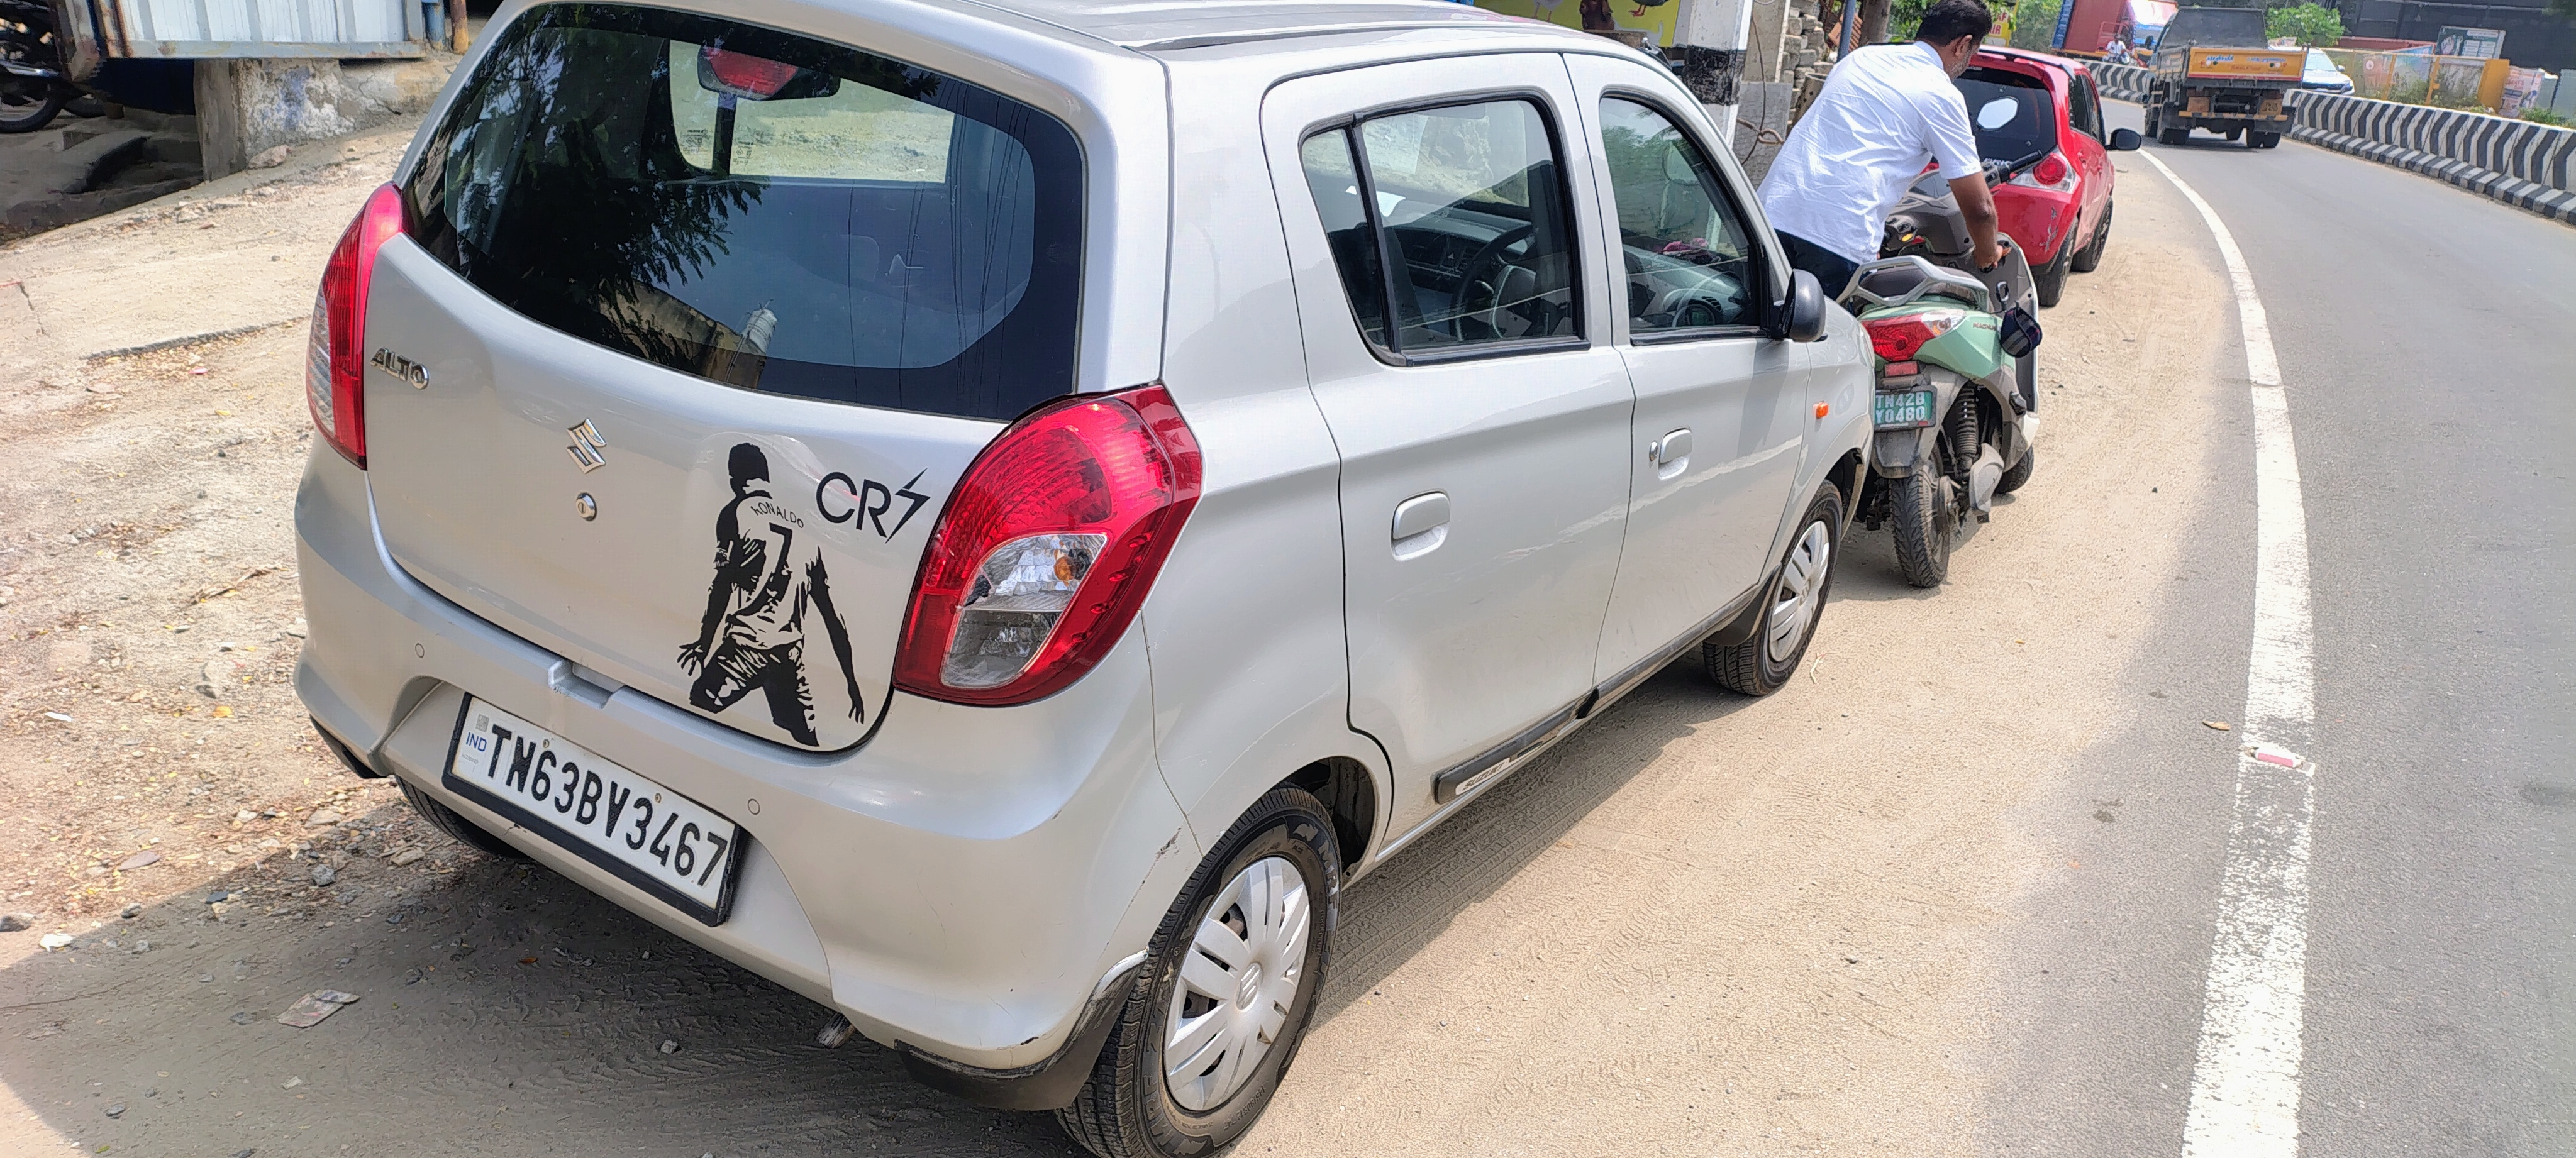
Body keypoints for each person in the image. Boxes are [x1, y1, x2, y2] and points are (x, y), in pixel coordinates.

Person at [1758, 0, 2005, 297]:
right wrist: (1987, 254)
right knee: (1820, 326)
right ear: (1962, 45)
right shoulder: (1941, 94)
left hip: (1770, 212)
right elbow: (1981, 210)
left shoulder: (1861, 58)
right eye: (1972, 53)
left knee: (1756, 318)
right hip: (1836, 236)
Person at [679, 441, 865, 746]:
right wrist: (851, 681)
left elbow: (723, 584)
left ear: (734, 479)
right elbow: (832, 618)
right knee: (806, 742)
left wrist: (704, 642)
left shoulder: (736, 512)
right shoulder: (808, 531)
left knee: (697, 705)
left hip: (746, 647)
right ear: (766, 478)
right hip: (788, 655)